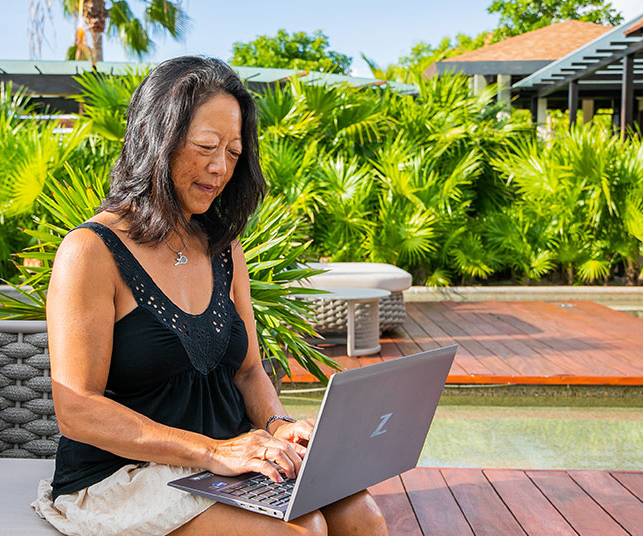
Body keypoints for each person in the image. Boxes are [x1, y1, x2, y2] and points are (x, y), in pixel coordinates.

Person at [31, 56, 388, 536]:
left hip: (221, 463)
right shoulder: (91, 252)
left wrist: (278, 425)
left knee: (360, 516)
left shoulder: (222, 246)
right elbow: (78, 409)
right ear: (158, 139)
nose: (220, 168)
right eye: (205, 146)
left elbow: (248, 371)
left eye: (234, 152)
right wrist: (212, 451)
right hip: (123, 475)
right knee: (300, 532)